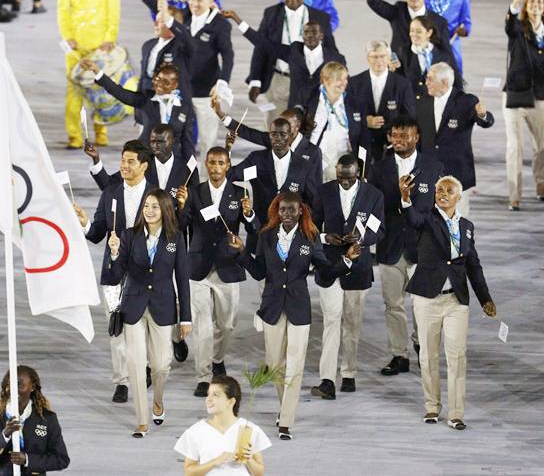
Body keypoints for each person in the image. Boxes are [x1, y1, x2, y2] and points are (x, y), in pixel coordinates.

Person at [228, 191, 360, 440]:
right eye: (283, 210)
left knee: (295, 366)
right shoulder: (266, 236)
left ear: (301, 211)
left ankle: (286, 421)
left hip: (299, 309)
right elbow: (258, 272)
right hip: (272, 307)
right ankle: (284, 407)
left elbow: (326, 272)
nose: (287, 214)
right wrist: (242, 251)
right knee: (275, 365)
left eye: (292, 210)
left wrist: (346, 261)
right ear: (277, 211)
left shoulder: (310, 237)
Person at [400, 175, 496, 430]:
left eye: (449, 190)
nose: (443, 193)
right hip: (427, 299)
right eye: (439, 190)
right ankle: (432, 407)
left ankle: (456, 413)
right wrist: (406, 199)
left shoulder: (466, 226)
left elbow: (473, 265)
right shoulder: (427, 219)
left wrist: (485, 298)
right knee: (429, 356)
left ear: (459, 196)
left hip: (456, 300)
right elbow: (412, 219)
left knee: (457, 355)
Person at [73, 140, 155, 404]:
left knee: (144, 326)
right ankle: (122, 381)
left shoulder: (156, 196)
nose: (124, 166)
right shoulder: (110, 192)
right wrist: (85, 223)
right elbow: (97, 232)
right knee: (116, 327)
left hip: (147, 273)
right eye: (122, 160)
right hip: (114, 273)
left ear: (144, 165)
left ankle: (144, 368)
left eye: (131, 161)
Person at [106, 188, 192, 437]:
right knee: (134, 363)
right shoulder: (129, 236)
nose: (150, 211)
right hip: (133, 306)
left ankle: (158, 400)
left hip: (163, 307)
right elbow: (115, 274)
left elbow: (183, 279)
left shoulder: (175, 238)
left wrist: (185, 317)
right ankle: (142, 421)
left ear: (165, 209)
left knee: (161, 365)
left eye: (155, 206)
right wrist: (114, 253)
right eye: (146, 206)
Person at [176, 146, 259, 397]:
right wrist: (181, 207)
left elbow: (254, 228)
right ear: (205, 164)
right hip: (198, 266)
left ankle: (218, 358)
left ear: (228, 165)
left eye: (220, 163)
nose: (215, 167)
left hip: (227, 265)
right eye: (211, 162)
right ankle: (203, 376)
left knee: (227, 322)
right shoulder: (194, 192)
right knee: (202, 325)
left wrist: (249, 213)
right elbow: (180, 228)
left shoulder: (240, 192)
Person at [367, 116, 443, 376]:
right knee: (393, 304)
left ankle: (422, 345)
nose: (398, 140)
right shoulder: (378, 168)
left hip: (422, 248)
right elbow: (372, 208)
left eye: (404, 136)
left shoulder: (433, 167)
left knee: (423, 304)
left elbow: (439, 210)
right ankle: (399, 354)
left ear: (417, 137)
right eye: (394, 136)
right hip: (390, 247)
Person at [134, 0, 233, 158]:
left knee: (207, 141)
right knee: (179, 139)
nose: (195, 4)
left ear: (210, 0)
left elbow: (228, 56)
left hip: (206, 93)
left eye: (200, 0)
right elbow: (160, 12)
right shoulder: (184, 16)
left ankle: (205, 184)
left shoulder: (221, 24)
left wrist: (221, 83)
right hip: (181, 94)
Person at [311, 155, 385, 398]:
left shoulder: (374, 195)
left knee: (352, 323)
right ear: (336, 172)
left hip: (358, 268)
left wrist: (362, 240)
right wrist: (325, 238)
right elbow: (311, 227)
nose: (344, 182)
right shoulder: (323, 192)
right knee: (331, 321)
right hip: (330, 267)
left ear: (358, 174)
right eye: (340, 178)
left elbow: (379, 230)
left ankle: (349, 373)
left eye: (349, 179)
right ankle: (327, 379)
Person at [244, 0, 339, 122]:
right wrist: (255, 80)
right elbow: (261, 47)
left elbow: (331, 49)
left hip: (307, 82)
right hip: (278, 80)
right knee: (275, 125)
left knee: (305, 124)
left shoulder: (321, 18)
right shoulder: (271, 13)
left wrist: (337, 78)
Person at [503, 0, 544, 211]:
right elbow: (509, 21)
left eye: (539, 1)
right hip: (516, 95)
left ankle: (540, 182)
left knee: (541, 145)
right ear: (526, 8)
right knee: (514, 147)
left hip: (539, 96)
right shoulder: (518, 29)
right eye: (531, 2)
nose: (535, 4)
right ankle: (514, 195)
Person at [57, 0, 120, 148]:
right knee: (73, 89)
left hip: (99, 43)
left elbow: (113, 6)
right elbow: (62, 8)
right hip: (76, 44)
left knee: (100, 89)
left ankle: (101, 131)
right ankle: (74, 136)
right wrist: (67, 36)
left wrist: (110, 36)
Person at [228, 117, 319, 254]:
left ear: (291, 135)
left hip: (291, 235)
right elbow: (231, 175)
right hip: (260, 231)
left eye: (282, 134)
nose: (277, 138)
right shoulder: (256, 159)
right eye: (273, 134)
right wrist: (227, 148)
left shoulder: (304, 166)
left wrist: (306, 233)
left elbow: (312, 202)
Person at [224, 9, 344, 110]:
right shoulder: (294, 52)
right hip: (297, 111)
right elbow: (263, 43)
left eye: (314, 32)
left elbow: (344, 83)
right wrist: (237, 19)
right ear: (302, 36)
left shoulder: (335, 58)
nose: (310, 35)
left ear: (321, 36)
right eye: (307, 32)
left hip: (323, 110)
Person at [416, 62, 493, 216]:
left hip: (457, 173)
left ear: (444, 82)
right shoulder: (422, 102)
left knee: (458, 219)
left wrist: (482, 114)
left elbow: (486, 122)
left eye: (430, 79)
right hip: (429, 173)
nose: (426, 83)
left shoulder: (466, 101)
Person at [82, 59, 195, 160]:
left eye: (166, 82)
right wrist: (97, 71)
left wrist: (191, 172)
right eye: (158, 79)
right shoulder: (146, 100)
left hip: (173, 161)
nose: (160, 84)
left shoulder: (185, 107)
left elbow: (187, 143)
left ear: (175, 85)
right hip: (146, 158)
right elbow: (119, 92)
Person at [174, 375, 270, 475]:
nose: (208, 399)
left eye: (215, 395)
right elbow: (189, 472)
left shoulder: (248, 429)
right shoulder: (196, 431)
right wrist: (215, 462)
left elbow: (259, 473)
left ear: (231, 401)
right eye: (208, 394)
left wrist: (249, 460)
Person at [214, 99, 322, 187]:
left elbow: (315, 187)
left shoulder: (313, 152)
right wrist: (222, 116)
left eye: (286, 124)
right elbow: (249, 133)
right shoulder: (271, 143)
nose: (280, 127)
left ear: (297, 127)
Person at [0, 365, 70, 474]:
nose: (13, 390)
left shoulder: (47, 418)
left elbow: (61, 460)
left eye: (19, 384)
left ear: (32, 387)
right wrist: (4, 435)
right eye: (10, 384)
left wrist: (27, 459)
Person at [85, 124, 199, 200]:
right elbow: (108, 185)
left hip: (175, 234)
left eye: (161, 141)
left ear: (172, 142)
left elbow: (195, 205)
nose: (156, 145)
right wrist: (96, 159)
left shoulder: (188, 169)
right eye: (153, 141)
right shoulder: (141, 164)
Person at [366, 0, 452, 65]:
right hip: (398, 69)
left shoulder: (438, 21)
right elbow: (373, 2)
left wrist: (454, 78)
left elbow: (447, 54)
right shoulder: (397, 12)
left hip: (428, 73)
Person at [348, 40, 416, 163]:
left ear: (389, 57)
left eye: (383, 56)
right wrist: (365, 121)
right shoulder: (354, 83)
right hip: (362, 145)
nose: (379, 60)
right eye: (374, 57)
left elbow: (409, 116)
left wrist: (395, 133)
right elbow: (348, 113)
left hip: (391, 146)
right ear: (368, 58)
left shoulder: (403, 84)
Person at [307, 62, 368, 182]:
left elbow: (363, 138)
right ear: (325, 80)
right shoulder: (308, 97)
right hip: (314, 161)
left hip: (343, 162)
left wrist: (362, 168)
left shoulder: (355, 103)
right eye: (339, 79)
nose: (344, 83)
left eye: (345, 79)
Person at [425, 0, 471, 74]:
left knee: (455, 72)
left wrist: (464, 30)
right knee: (428, 74)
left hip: (452, 41)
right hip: (430, 42)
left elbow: (466, 21)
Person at [402, 15, 461, 99]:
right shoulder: (402, 53)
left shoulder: (443, 55)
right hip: (411, 105)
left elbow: (455, 82)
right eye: (411, 30)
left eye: (418, 31)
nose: (413, 34)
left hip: (436, 106)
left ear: (429, 33)